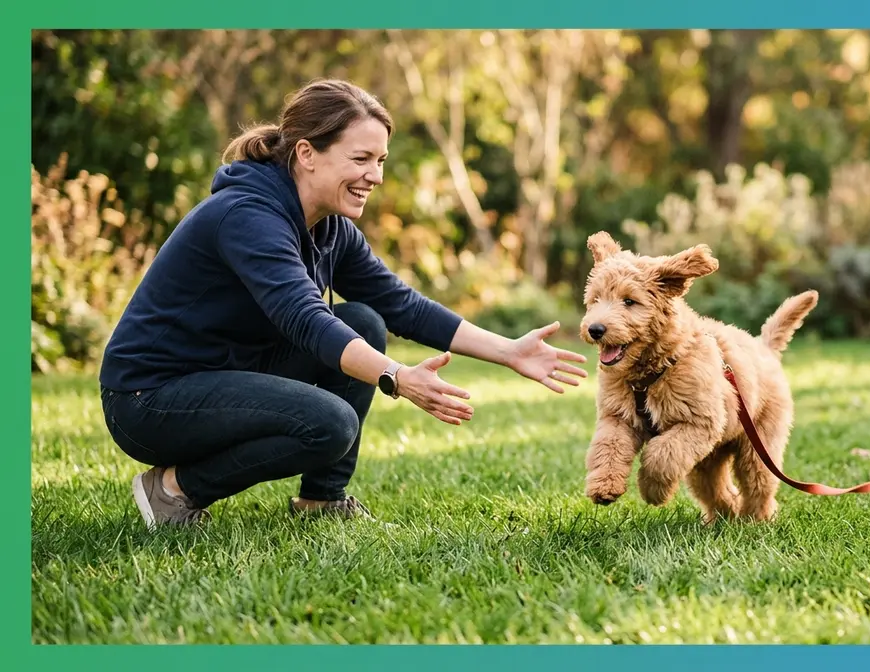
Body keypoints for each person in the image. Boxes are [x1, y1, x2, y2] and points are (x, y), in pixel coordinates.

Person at [98, 78, 589, 530]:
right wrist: (396, 377)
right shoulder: (246, 215)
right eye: (361, 159)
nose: (374, 176)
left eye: (380, 161)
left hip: (223, 373)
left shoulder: (329, 226)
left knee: (363, 319)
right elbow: (306, 320)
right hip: (150, 400)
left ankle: (322, 499)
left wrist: (509, 351)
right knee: (331, 423)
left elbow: (404, 306)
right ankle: (172, 491)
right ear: (308, 154)